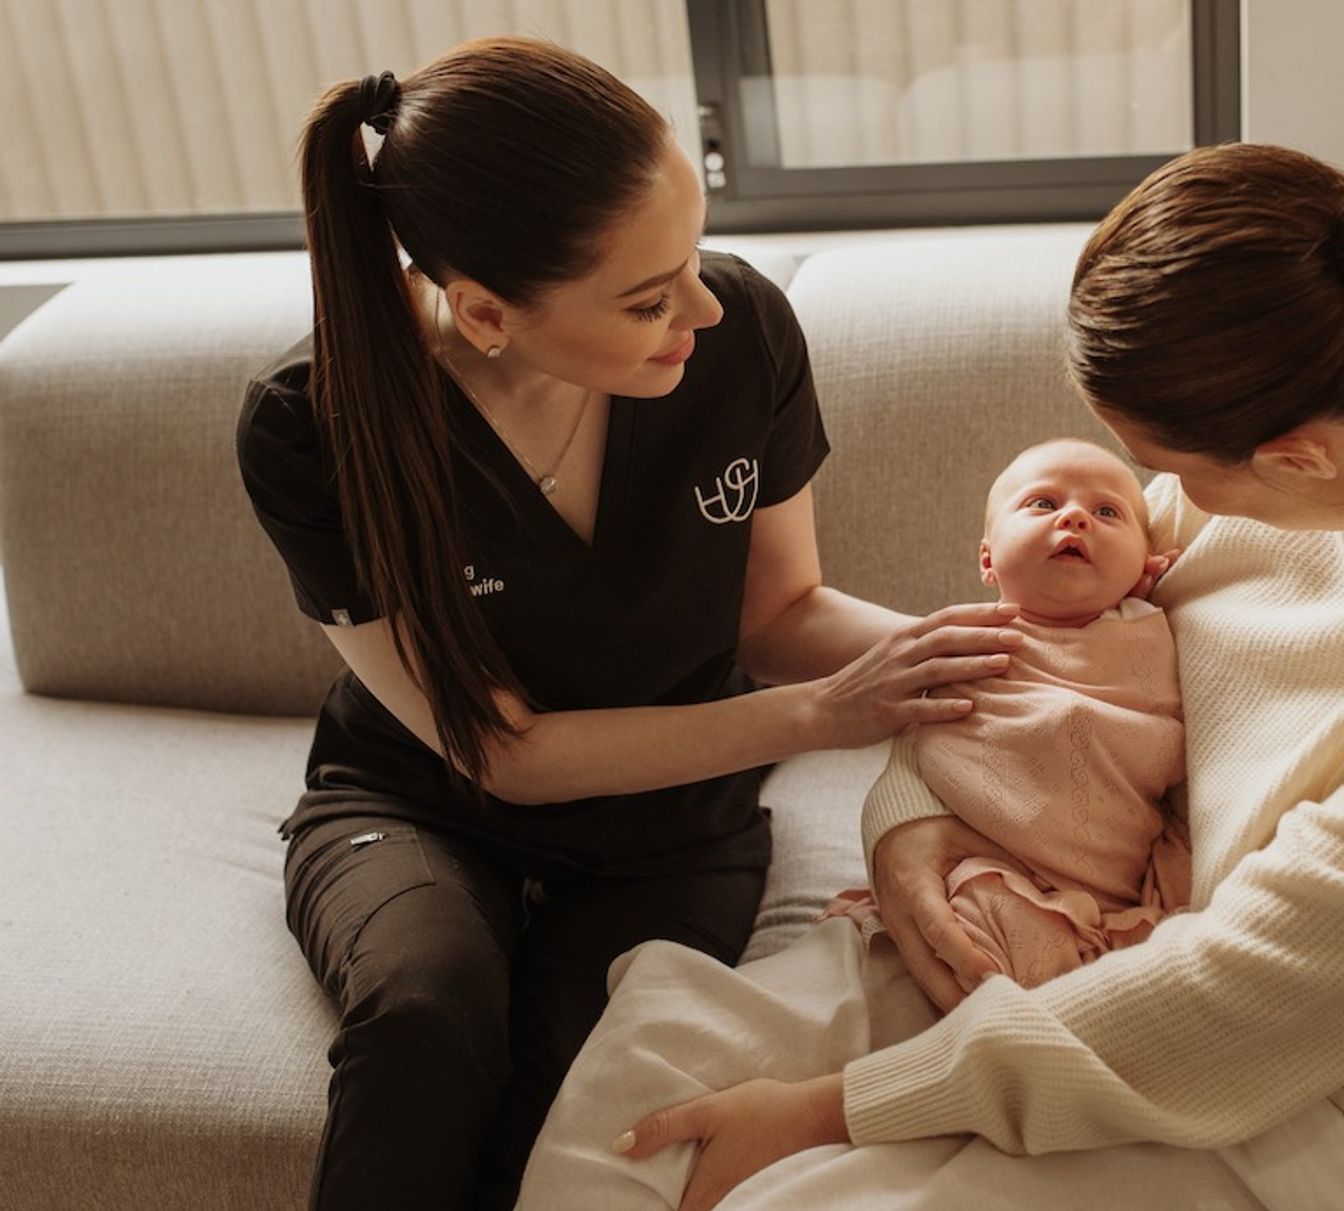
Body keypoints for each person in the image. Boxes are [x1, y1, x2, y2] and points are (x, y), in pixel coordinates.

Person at [516, 142, 1344, 1211]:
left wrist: (840, 1107)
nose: (1158, 513)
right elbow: (1040, 638)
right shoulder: (1343, 402)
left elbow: (1253, 996)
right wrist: (913, 825)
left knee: (785, 1187)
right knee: (656, 1056)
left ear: (1297, 460)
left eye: (1165, 474)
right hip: (1100, 928)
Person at [234, 36, 1029, 1211]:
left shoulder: (741, 331)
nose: (702, 308)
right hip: (420, 803)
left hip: (674, 826)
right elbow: (501, 751)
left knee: (580, 1077)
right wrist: (815, 717)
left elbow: (784, 610)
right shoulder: (315, 428)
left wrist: (1002, 662)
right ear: (487, 311)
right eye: (649, 298)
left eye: (692, 259)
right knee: (427, 1021)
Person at [824, 439, 1189, 988]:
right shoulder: (958, 644)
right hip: (963, 870)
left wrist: (1148, 599)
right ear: (988, 559)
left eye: (1106, 512)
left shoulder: (1154, 629)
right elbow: (919, 743)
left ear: (1145, 565)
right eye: (1043, 504)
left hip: (1080, 897)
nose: (1074, 517)